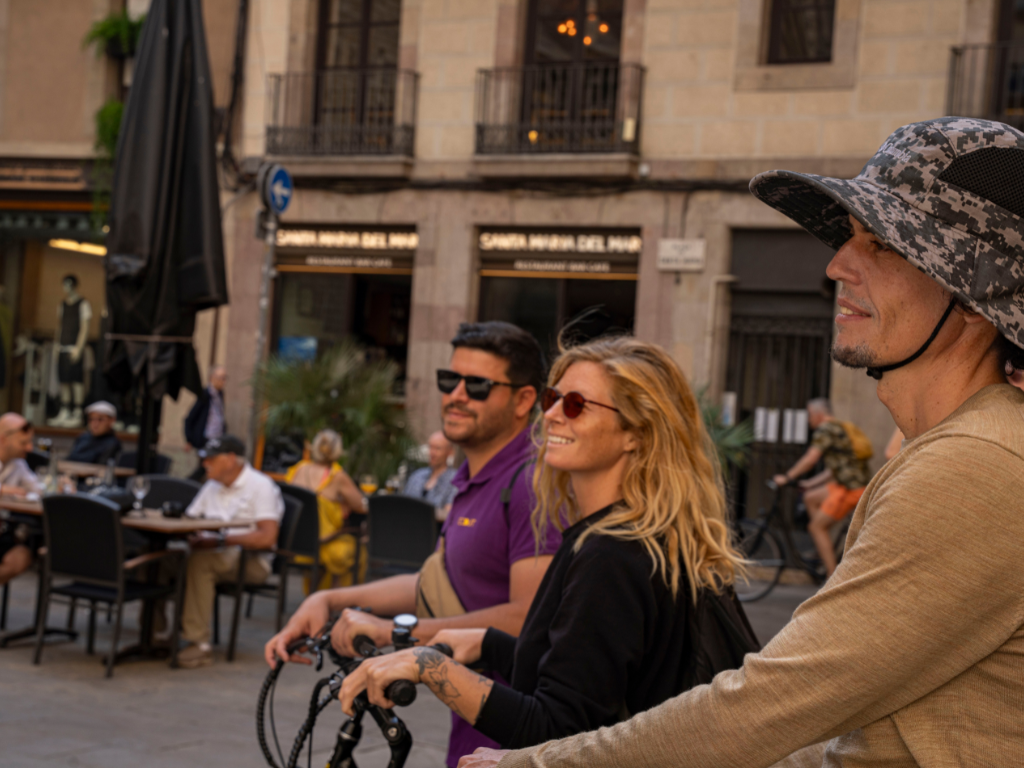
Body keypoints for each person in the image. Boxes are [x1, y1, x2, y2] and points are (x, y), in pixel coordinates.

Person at [457, 117, 1024, 768]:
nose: (838, 263)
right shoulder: (962, 449)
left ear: (977, 294)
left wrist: (529, 764)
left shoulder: (973, 463)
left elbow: (764, 708)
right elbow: (851, 728)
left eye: (884, 246)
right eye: (850, 239)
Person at [340, 336, 753, 750]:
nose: (553, 415)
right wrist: (491, 644)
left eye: (575, 404)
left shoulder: (612, 554)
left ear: (636, 434)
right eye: (552, 398)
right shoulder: (637, 536)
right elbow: (591, 669)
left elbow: (556, 729)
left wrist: (429, 666)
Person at [265, 321, 562, 767]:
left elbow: (529, 616)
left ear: (524, 400)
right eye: (450, 380)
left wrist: (396, 635)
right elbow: (433, 581)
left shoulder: (530, 483)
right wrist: (330, 599)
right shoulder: (473, 478)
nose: (457, 394)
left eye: (477, 385)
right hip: (471, 727)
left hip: (514, 737)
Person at [177, 434, 283, 669]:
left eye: (211, 459)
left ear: (231, 459)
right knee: (168, 559)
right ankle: (156, 633)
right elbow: (191, 519)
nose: (205, 463)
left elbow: (267, 537)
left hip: (251, 561)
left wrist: (221, 540)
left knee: (200, 563)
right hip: (217, 551)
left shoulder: (260, 485)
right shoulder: (211, 485)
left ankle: (198, 644)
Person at [772, 398, 871, 576]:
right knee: (810, 497)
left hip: (851, 489)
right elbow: (834, 469)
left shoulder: (824, 430)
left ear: (818, 415)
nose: (809, 420)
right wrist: (810, 483)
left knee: (816, 527)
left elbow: (811, 459)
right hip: (846, 484)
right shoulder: (840, 427)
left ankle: (832, 577)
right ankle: (821, 549)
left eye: (809, 415)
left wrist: (787, 478)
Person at [285, 429, 367, 589]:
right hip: (324, 544)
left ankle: (316, 595)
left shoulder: (299, 469)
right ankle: (338, 601)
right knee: (359, 552)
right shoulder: (336, 476)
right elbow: (360, 505)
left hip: (294, 544)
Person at [0, 412, 44, 587]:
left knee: (21, 556)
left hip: (3, 530)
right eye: (23, 443)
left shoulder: (18, 463)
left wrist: (59, 486)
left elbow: (38, 490)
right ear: (3, 439)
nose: (29, 448)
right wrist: (4, 489)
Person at [185, 365, 227, 479]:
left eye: (224, 378)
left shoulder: (220, 395)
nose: (222, 381)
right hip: (205, 438)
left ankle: (193, 485)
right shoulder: (205, 395)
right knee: (205, 466)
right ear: (212, 378)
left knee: (210, 466)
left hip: (217, 437)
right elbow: (190, 418)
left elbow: (219, 416)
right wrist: (189, 439)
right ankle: (188, 484)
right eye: (220, 378)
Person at [404, 430, 458, 518]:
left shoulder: (455, 479)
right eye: (430, 447)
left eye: (438, 448)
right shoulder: (417, 475)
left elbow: (449, 514)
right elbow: (403, 505)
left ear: (450, 452)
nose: (432, 453)